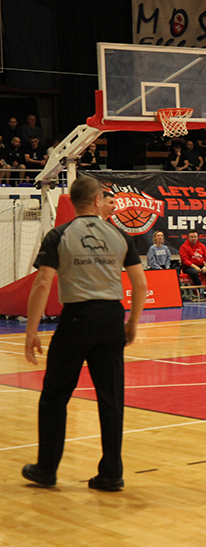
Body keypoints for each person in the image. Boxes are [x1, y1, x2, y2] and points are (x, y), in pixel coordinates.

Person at [21, 175, 146, 491]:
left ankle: (46, 469)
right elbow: (140, 283)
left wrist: (31, 331)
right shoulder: (119, 236)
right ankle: (111, 474)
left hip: (76, 319)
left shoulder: (59, 235)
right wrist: (131, 323)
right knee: (111, 398)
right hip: (111, 319)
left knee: (55, 396)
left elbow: (42, 283)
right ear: (95, 200)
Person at [179, 231, 206, 295]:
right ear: (188, 237)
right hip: (189, 267)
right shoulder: (184, 247)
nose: (193, 238)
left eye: (195, 237)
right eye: (191, 237)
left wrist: (205, 266)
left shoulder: (202, 246)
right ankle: (200, 290)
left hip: (201, 265)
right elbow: (184, 260)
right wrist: (195, 267)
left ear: (197, 237)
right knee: (194, 273)